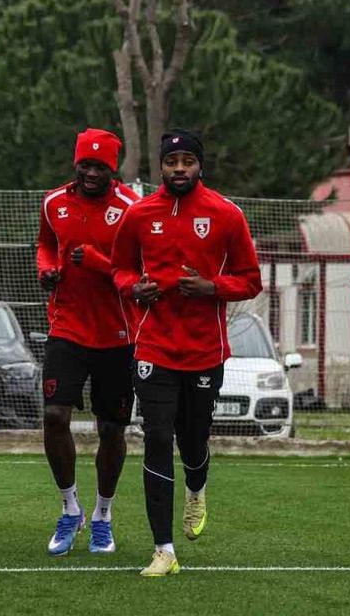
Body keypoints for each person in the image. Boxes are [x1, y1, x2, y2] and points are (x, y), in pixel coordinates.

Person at [110, 130, 262, 577]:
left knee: (192, 441)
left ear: (200, 166)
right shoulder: (139, 214)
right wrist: (133, 288)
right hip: (153, 347)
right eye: (171, 161)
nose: (179, 168)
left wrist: (212, 287)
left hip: (204, 351)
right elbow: (120, 269)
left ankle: (197, 487)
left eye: (187, 161)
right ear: (160, 166)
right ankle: (164, 550)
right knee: (157, 439)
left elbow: (251, 280)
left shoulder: (226, 214)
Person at [36, 128, 139, 556]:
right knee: (54, 415)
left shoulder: (131, 208)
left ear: (112, 169)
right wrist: (45, 268)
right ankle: (69, 508)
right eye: (85, 165)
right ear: (75, 164)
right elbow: (46, 244)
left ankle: (102, 515)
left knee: (111, 428)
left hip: (118, 332)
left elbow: (140, 271)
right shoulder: (53, 202)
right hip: (67, 326)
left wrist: (99, 263)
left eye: (100, 167)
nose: (91, 173)